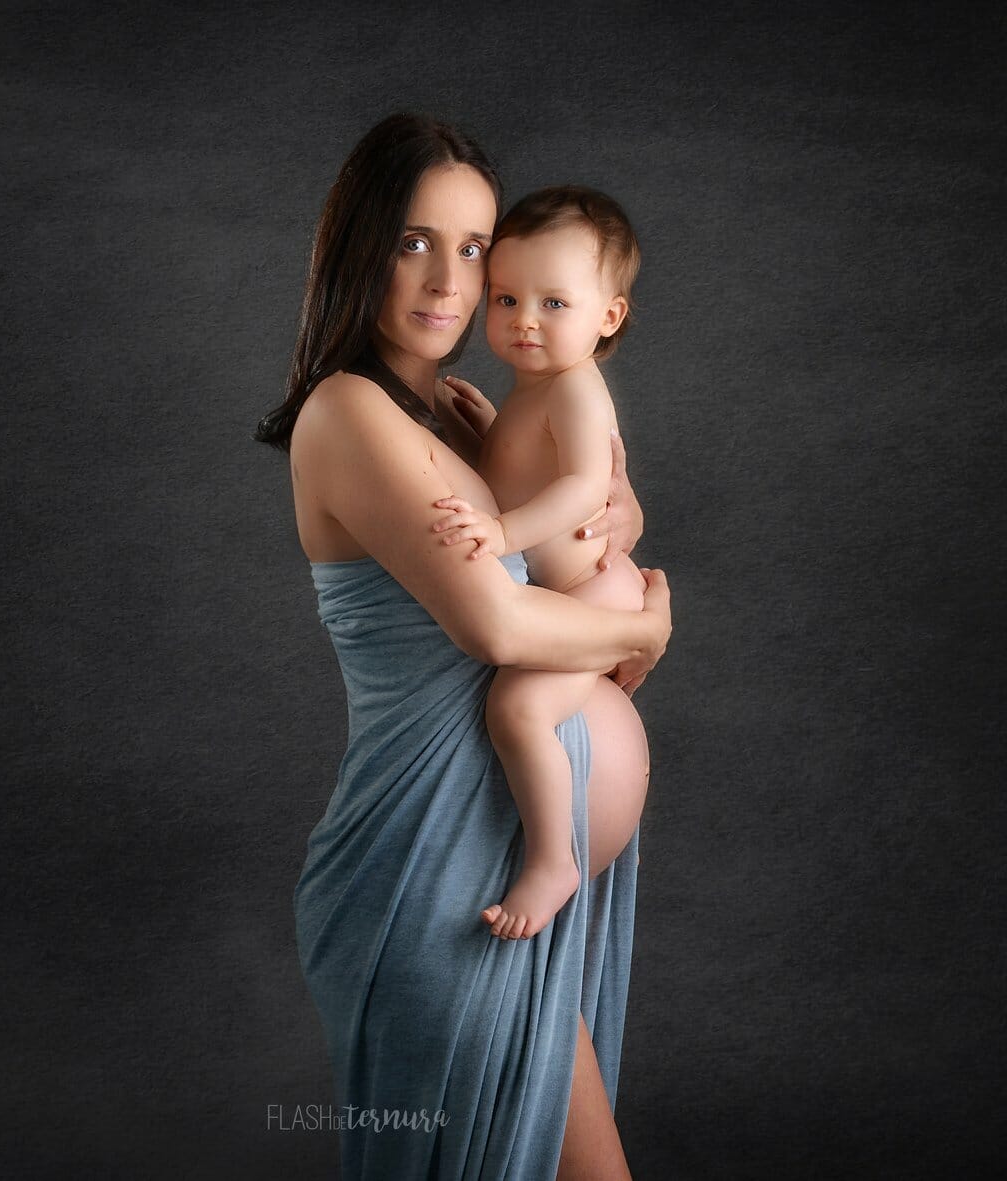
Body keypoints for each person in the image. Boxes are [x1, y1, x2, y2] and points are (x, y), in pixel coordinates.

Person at [255, 113, 671, 1179]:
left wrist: (610, 517)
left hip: (497, 882)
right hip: (431, 878)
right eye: (413, 241)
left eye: (475, 247)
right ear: (360, 247)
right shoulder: (350, 411)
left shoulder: (447, 411)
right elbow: (494, 622)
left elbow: (587, 512)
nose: (449, 279)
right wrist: (640, 625)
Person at [432, 185, 647, 943]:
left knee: (518, 710)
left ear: (607, 316)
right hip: (575, 592)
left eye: (554, 303)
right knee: (518, 706)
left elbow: (585, 486)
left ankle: (553, 860)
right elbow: (529, 469)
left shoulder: (576, 390)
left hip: (596, 592)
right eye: (506, 298)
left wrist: (500, 531)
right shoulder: (533, 391)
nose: (525, 319)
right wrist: (489, 434)